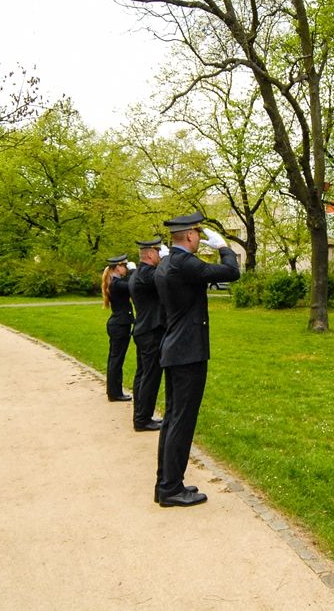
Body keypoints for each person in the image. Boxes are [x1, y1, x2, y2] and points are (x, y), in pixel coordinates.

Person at [153, 212, 240, 507]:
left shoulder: (166, 263)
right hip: (187, 352)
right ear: (190, 236)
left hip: (175, 349)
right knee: (181, 420)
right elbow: (231, 273)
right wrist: (224, 248)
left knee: (172, 420)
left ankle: (167, 483)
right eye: (199, 235)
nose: (200, 239)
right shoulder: (184, 263)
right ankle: (170, 489)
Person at [130, 237, 169, 432]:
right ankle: (143, 419)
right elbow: (165, 276)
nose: (161, 257)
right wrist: (170, 260)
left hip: (143, 329)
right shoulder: (147, 274)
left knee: (142, 375)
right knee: (150, 377)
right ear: (151, 254)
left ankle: (140, 415)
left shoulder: (139, 273)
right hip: (151, 331)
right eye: (159, 253)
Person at [101, 254, 135, 402]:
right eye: (124, 266)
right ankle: (115, 393)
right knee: (116, 360)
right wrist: (134, 271)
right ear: (117, 268)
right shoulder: (116, 284)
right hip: (120, 325)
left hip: (118, 323)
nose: (126, 269)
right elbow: (132, 285)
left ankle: (113, 391)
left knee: (114, 359)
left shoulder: (115, 282)